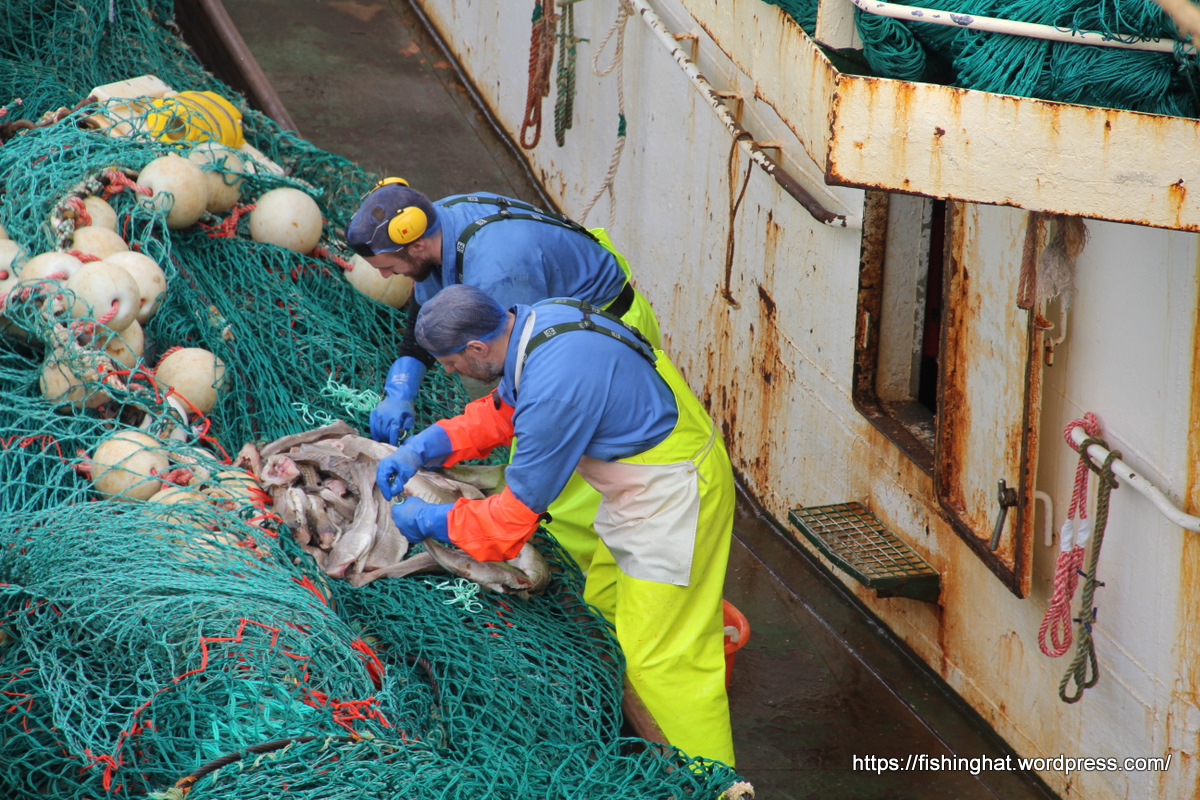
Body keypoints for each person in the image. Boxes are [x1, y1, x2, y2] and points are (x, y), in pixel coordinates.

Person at [374, 284, 736, 767]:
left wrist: (427, 518)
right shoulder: (536, 322)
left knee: (664, 659)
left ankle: (711, 784)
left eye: (451, 363)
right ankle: (642, 737)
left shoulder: (554, 390)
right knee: (604, 605)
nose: (449, 372)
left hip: (674, 492)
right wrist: (423, 447)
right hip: (639, 480)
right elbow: (503, 410)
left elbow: (507, 526)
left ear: (477, 347)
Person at [346, 178, 661, 573]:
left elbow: (516, 496)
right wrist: (404, 396)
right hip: (572, 337)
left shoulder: (501, 280)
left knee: (563, 500)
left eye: (389, 268)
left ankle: (572, 566)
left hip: (607, 344)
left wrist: (432, 520)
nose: (386, 278)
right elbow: (501, 407)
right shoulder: (435, 225)